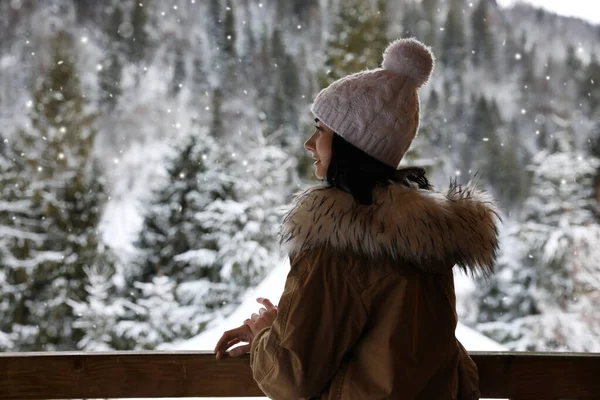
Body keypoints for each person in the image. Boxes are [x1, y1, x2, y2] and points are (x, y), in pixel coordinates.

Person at [215, 38, 499, 400]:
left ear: (351, 143)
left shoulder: (337, 243)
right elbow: (399, 350)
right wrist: (282, 323)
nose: (309, 143)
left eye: (320, 129)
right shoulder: (424, 243)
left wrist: (265, 335)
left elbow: (291, 379)